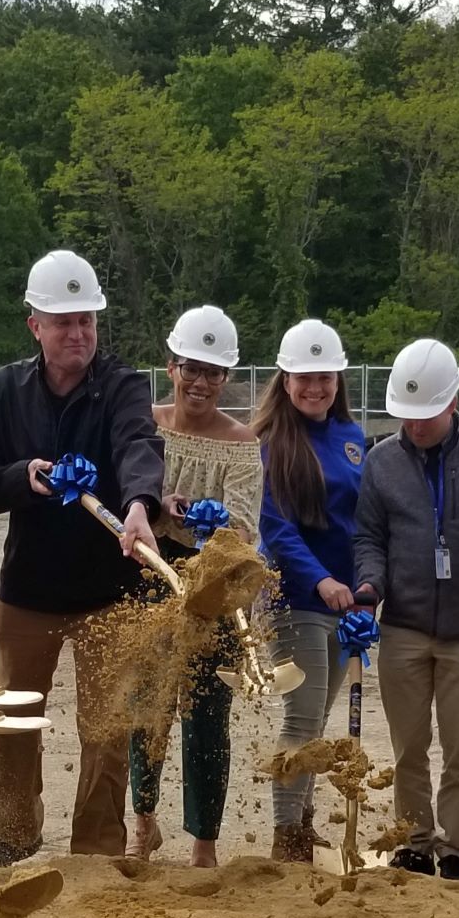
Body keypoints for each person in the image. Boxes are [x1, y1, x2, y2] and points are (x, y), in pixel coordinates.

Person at [0, 249, 165, 866]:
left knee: (107, 730)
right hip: (27, 590)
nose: (78, 333)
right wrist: (24, 476)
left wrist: (140, 504)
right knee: (15, 722)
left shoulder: (124, 385)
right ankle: (15, 834)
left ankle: (96, 850)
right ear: (35, 325)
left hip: (111, 592)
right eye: (63, 321)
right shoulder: (4, 390)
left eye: (87, 320)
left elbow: (139, 443)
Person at [354, 338, 459, 882]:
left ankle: (452, 849)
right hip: (403, 627)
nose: (416, 425)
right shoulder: (380, 462)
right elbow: (369, 539)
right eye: (406, 416)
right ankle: (414, 842)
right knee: (409, 748)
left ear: (454, 402)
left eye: (426, 414)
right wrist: (367, 589)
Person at [127, 305, 263, 868]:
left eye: (214, 372)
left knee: (207, 712)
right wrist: (162, 509)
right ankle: (144, 822)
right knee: (146, 704)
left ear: (226, 378)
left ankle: (204, 842)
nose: (202, 382)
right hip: (152, 576)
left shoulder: (242, 443)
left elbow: (246, 525)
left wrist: (215, 524)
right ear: (171, 367)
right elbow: (128, 489)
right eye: (192, 368)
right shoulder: (146, 424)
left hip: (215, 585)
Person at [254, 318, 367, 864]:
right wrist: (320, 580)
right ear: (285, 379)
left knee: (318, 721)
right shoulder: (274, 443)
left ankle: (302, 819)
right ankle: (285, 838)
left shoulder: (351, 439)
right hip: (298, 602)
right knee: (300, 719)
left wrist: (363, 586)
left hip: (346, 605)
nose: (315, 387)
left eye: (325, 377)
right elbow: (276, 529)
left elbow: (362, 521)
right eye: (303, 377)